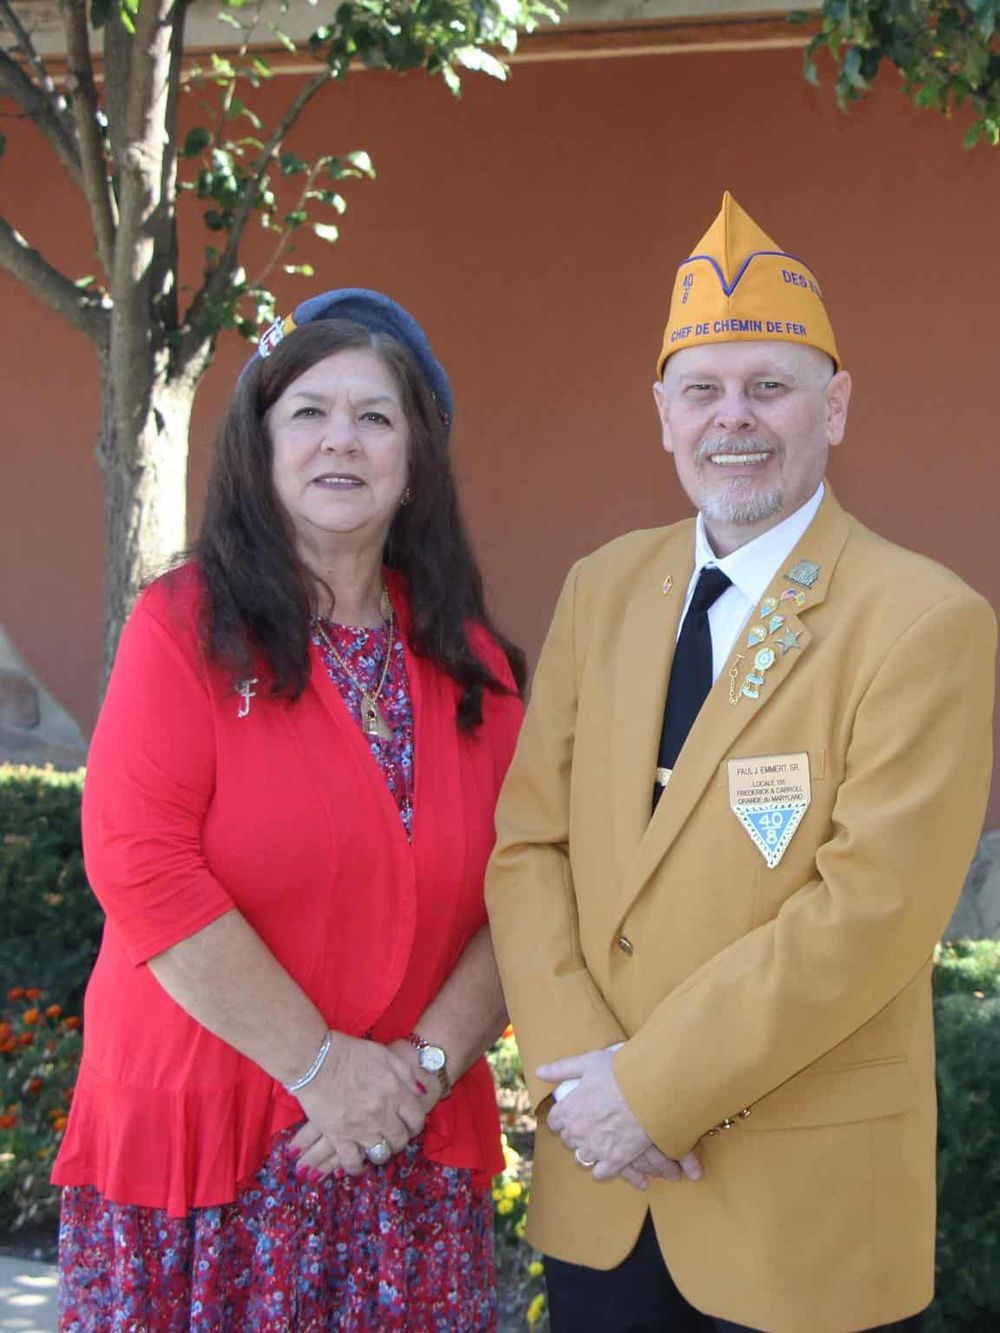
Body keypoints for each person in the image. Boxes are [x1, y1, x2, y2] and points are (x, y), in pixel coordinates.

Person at [485, 194, 997, 1333]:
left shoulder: (923, 620)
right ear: (661, 414)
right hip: (601, 1187)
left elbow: (871, 913)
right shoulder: (600, 587)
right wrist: (581, 1075)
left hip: (801, 1220)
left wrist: (650, 1091)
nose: (736, 421)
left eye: (770, 386)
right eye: (704, 391)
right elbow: (530, 847)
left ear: (836, 404)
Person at [52, 289, 524, 1331]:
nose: (339, 441)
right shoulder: (182, 629)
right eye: (308, 411)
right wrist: (320, 1069)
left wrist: (415, 1076)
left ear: (416, 460)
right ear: (259, 445)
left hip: (404, 1143)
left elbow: (527, 885)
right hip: (208, 1151)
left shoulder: (475, 666)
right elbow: (140, 863)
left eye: (375, 416)